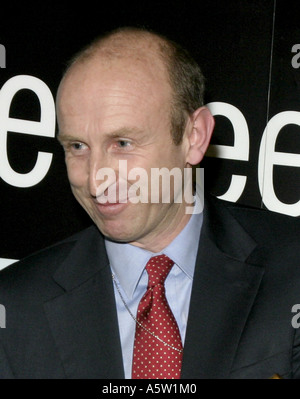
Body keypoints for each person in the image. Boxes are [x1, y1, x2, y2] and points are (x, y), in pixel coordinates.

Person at [0, 26, 300, 379]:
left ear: (194, 137)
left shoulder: (291, 270)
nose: (96, 178)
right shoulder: (17, 306)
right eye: (77, 146)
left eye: (122, 143)